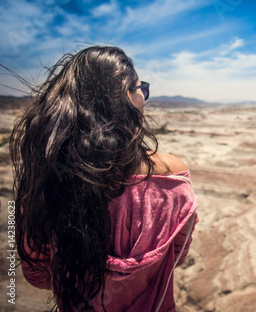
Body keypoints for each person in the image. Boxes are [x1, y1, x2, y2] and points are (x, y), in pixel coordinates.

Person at [10, 46, 198, 312]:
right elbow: (177, 257)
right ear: (127, 99)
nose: (143, 95)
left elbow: (38, 275)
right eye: (139, 88)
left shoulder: (46, 182)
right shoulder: (173, 178)